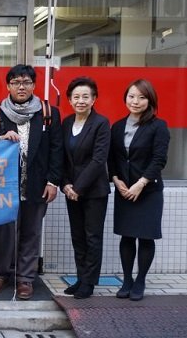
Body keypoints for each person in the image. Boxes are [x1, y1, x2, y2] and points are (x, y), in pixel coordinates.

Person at [0, 64, 63, 300]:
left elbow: (57, 150)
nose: (21, 86)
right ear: (8, 86)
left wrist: (53, 181)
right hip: (5, 185)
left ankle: (25, 278)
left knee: (31, 231)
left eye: (26, 82)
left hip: (37, 182)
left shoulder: (48, 112)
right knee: (4, 231)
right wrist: (0, 138)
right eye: (16, 82)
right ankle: (0, 274)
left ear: (34, 85)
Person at [108, 79, 169, 301]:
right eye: (132, 96)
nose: (135, 101)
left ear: (150, 101)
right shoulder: (117, 126)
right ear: (125, 98)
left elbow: (159, 159)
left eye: (142, 97)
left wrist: (140, 183)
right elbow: (112, 158)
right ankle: (126, 280)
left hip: (148, 191)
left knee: (145, 237)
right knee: (126, 236)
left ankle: (140, 280)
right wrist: (116, 180)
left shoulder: (158, 126)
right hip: (124, 190)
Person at [61, 77, 111, 299]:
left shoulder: (101, 123)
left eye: (85, 97)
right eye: (76, 97)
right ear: (70, 100)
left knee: (92, 237)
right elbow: (62, 157)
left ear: (94, 99)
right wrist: (65, 184)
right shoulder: (66, 122)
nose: (80, 101)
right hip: (71, 190)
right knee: (77, 236)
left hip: (93, 191)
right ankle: (81, 278)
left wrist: (78, 188)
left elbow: (99, 160)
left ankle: (89, 282)